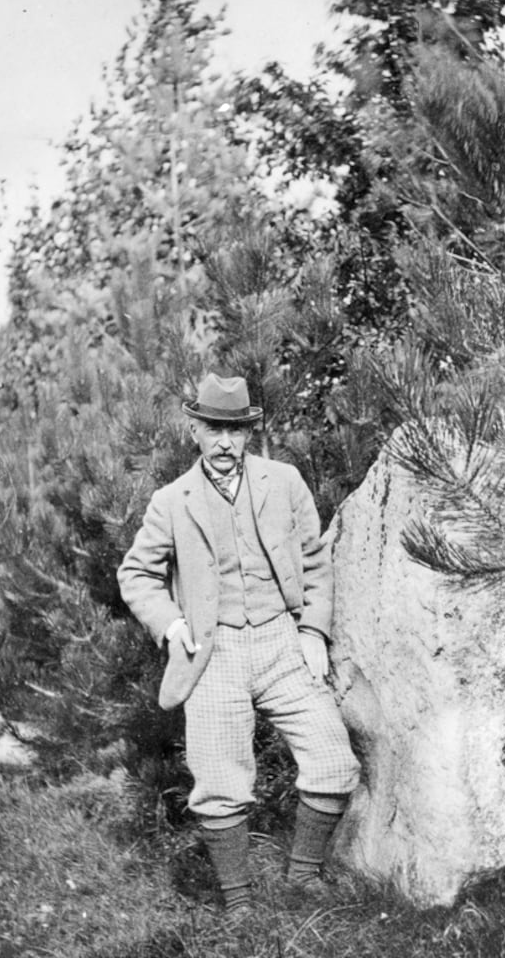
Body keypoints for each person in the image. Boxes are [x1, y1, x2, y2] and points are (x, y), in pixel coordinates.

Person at [117, 373, 360, 913]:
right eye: (213, 429)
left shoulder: (285, 481)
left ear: (250, 432)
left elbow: (317, 563)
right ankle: (239, 902)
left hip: (282, 643)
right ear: (194, 430)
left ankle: (302, 876)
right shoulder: (171, 501)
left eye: (236, 429)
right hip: (214, 651)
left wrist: (314, 632)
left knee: (333, 759)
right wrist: (173, 625)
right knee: (220, 780)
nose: (225, 442)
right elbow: (135, 574)